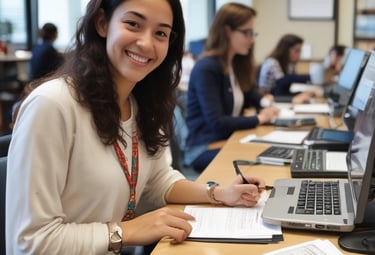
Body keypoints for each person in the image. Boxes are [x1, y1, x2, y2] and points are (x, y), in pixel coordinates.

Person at [6, 0, 267, 254]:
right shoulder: (53, 104)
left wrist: (219, 193)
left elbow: (157, 182)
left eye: (161, 33)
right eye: (133, 24)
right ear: (102, 23)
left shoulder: (140, 104)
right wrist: (127, 231)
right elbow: (32, 243)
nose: (146, 43)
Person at [184, 3, 279, 173]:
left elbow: (249, 94)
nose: (252, 39)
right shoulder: (207, 68)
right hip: (203, 147)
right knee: (261, 161)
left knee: (270, 153)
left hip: (229, 139)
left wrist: (265, 103)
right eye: (247, 32)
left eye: (253, 33)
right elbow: (217, 122)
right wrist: (259, 119)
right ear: (227, 31)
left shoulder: (234, 64)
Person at [258, 33, 316, 103]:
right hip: (266, 99)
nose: (299, 55)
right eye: (297, 51)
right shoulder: (272, 62)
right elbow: (283, 82)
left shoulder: (290, 64)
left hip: (277, 99)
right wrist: (312, 77)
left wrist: (301, 94)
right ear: (285, 50)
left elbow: (285, 90)